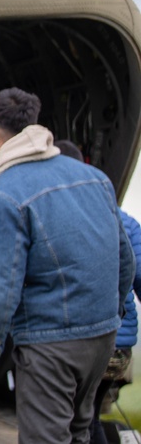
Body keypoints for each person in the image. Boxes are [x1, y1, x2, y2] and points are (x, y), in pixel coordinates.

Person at [0, 88, 135, 444]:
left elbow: (0, 291)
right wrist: (110, 316)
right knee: (78, 435)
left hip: (51, 344)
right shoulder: (93, 177)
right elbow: (125, 259)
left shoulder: (4, 193)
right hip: (100, 338)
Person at [54, 140, 141, 444]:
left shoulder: (58, 218)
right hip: (120, 348)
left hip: (87, 344)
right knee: (89, 419)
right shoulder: (125, 221)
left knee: (80, 423)